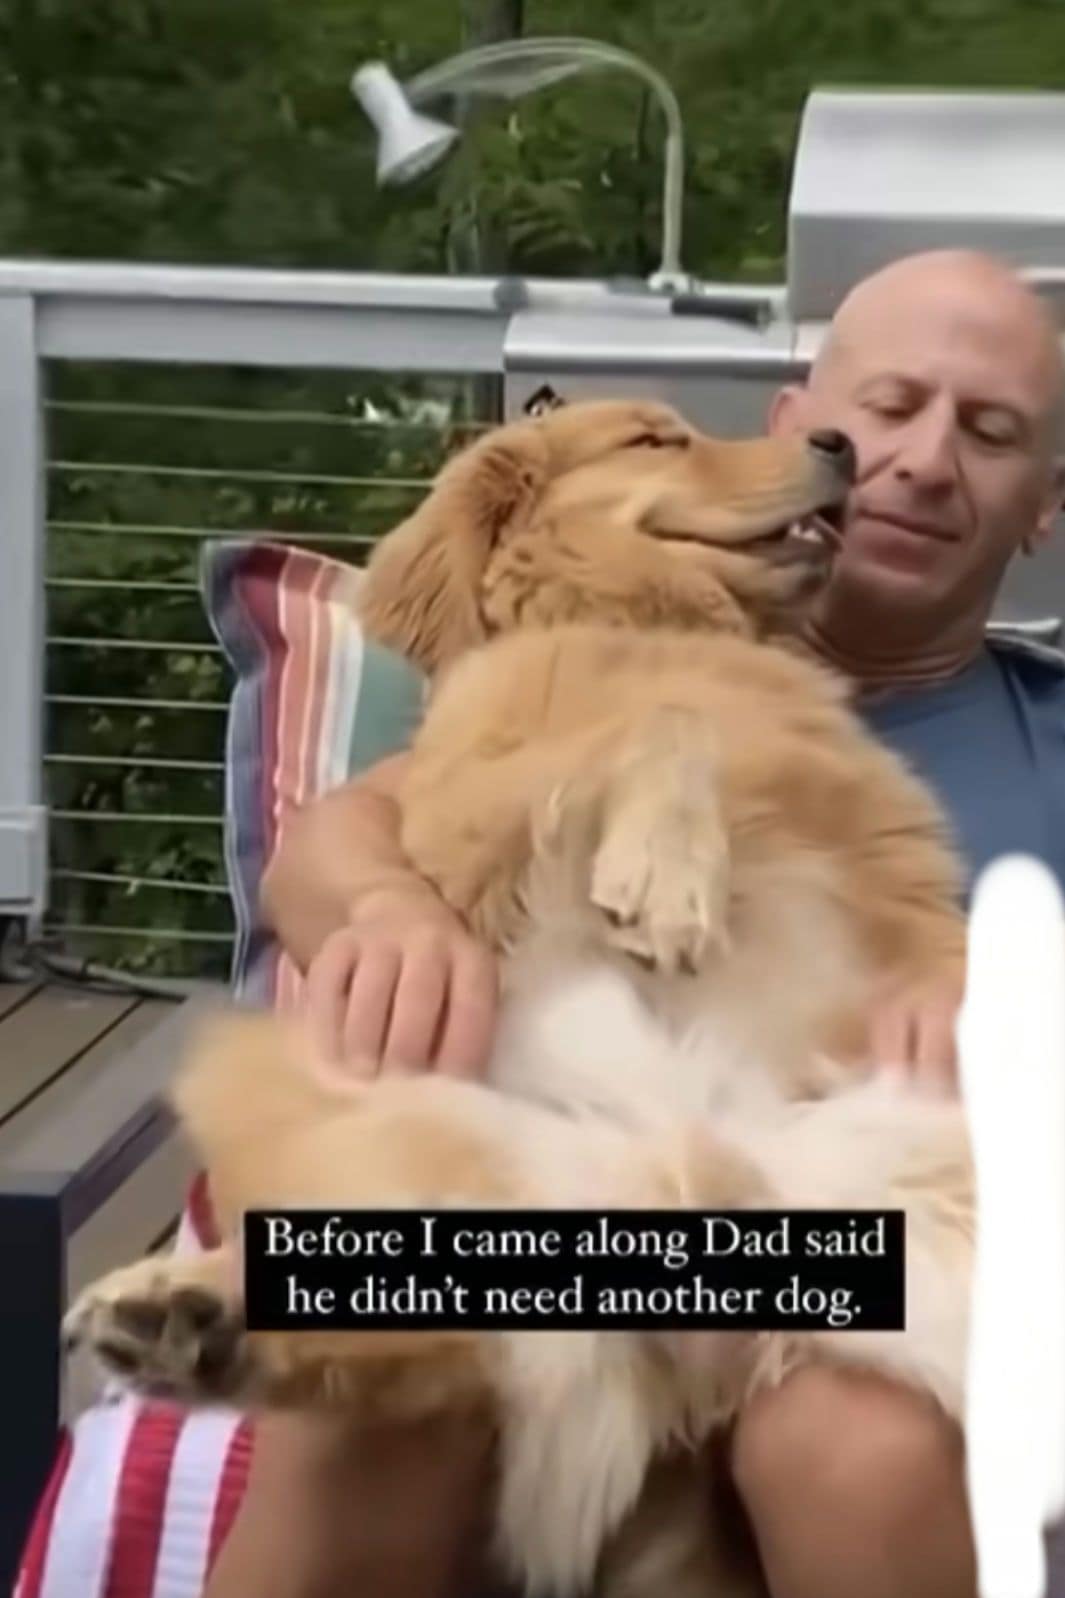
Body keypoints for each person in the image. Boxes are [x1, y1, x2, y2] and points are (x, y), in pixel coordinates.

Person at [207, 248, 1065, 1598]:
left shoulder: (1045, 743)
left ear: (1044, 508)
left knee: (851, 1438)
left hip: (860, 1254)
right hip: (570, 1215)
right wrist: (377, 905)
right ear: (791, 431)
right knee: (369, 1409)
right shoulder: (594, 657)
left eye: (991, 432)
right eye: (887, 408)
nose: (920, 461)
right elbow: (363, 822)